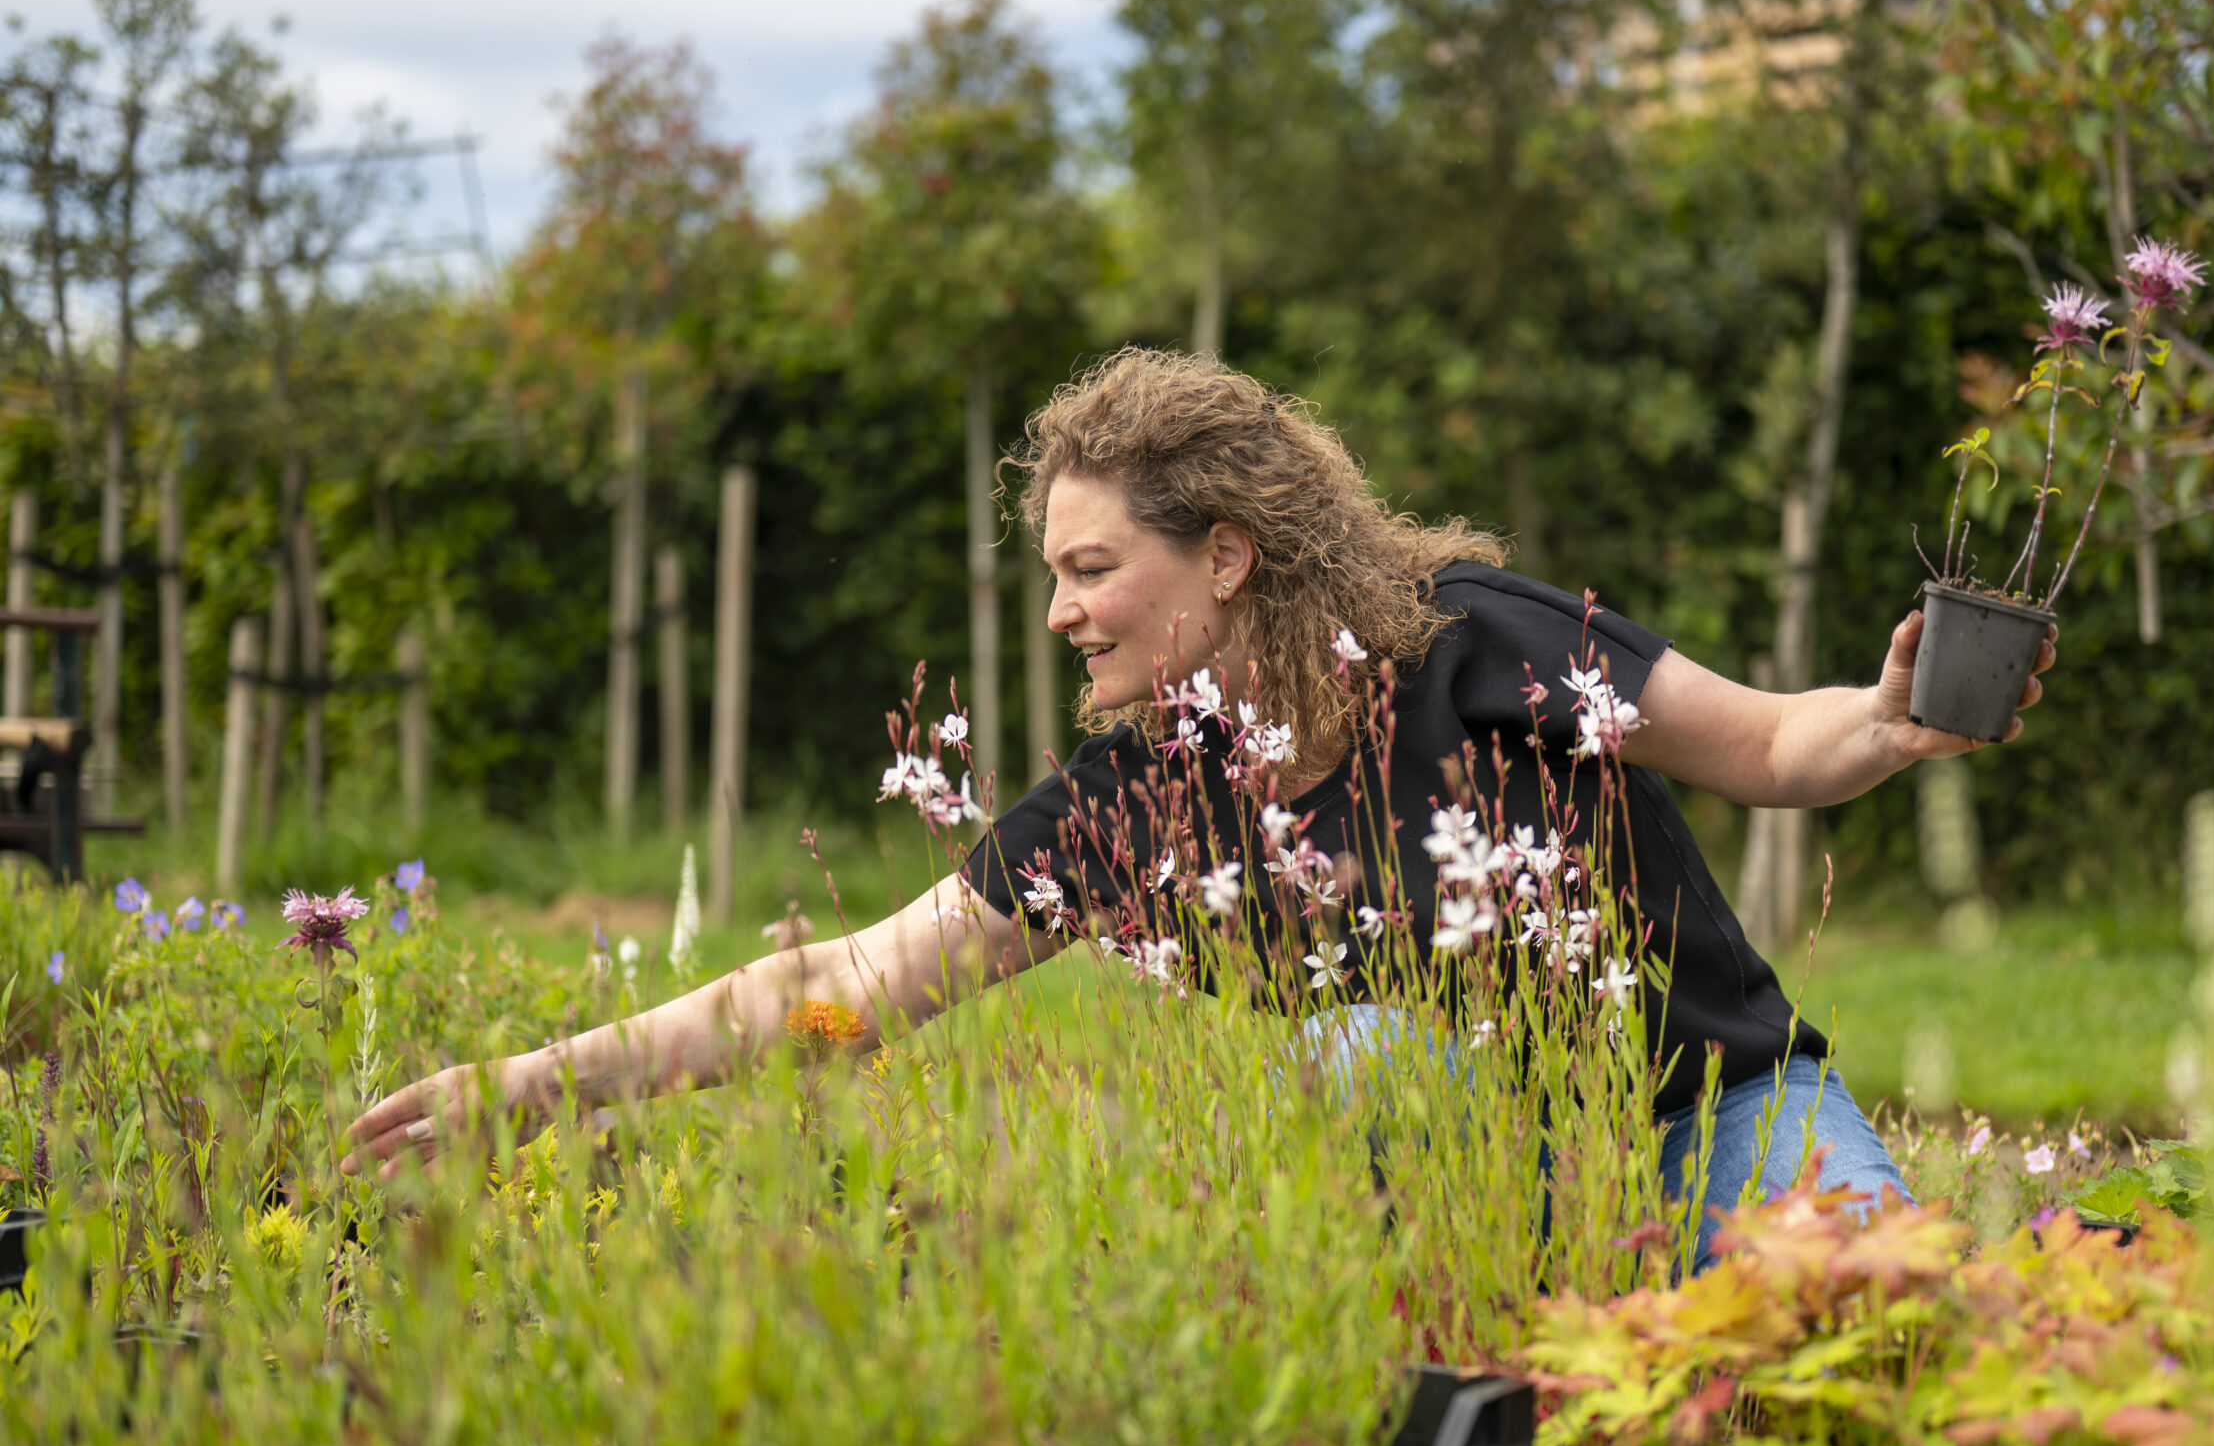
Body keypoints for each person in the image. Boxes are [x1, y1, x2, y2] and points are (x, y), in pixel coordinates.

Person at [342, 349, 2054, 1266]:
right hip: (1482, 1191)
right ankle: (1501, 1370)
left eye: (1093, 569)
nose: (1063, 612)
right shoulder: (1141, 802)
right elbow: (853, 982)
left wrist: (1887, 721)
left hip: (1712, 1104)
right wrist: (537, 1086)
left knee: (1889, 1325)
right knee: (1380, 1053)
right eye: (1055, 575)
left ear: (1224, 555)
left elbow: (1769, 749)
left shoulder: (1470, 646)